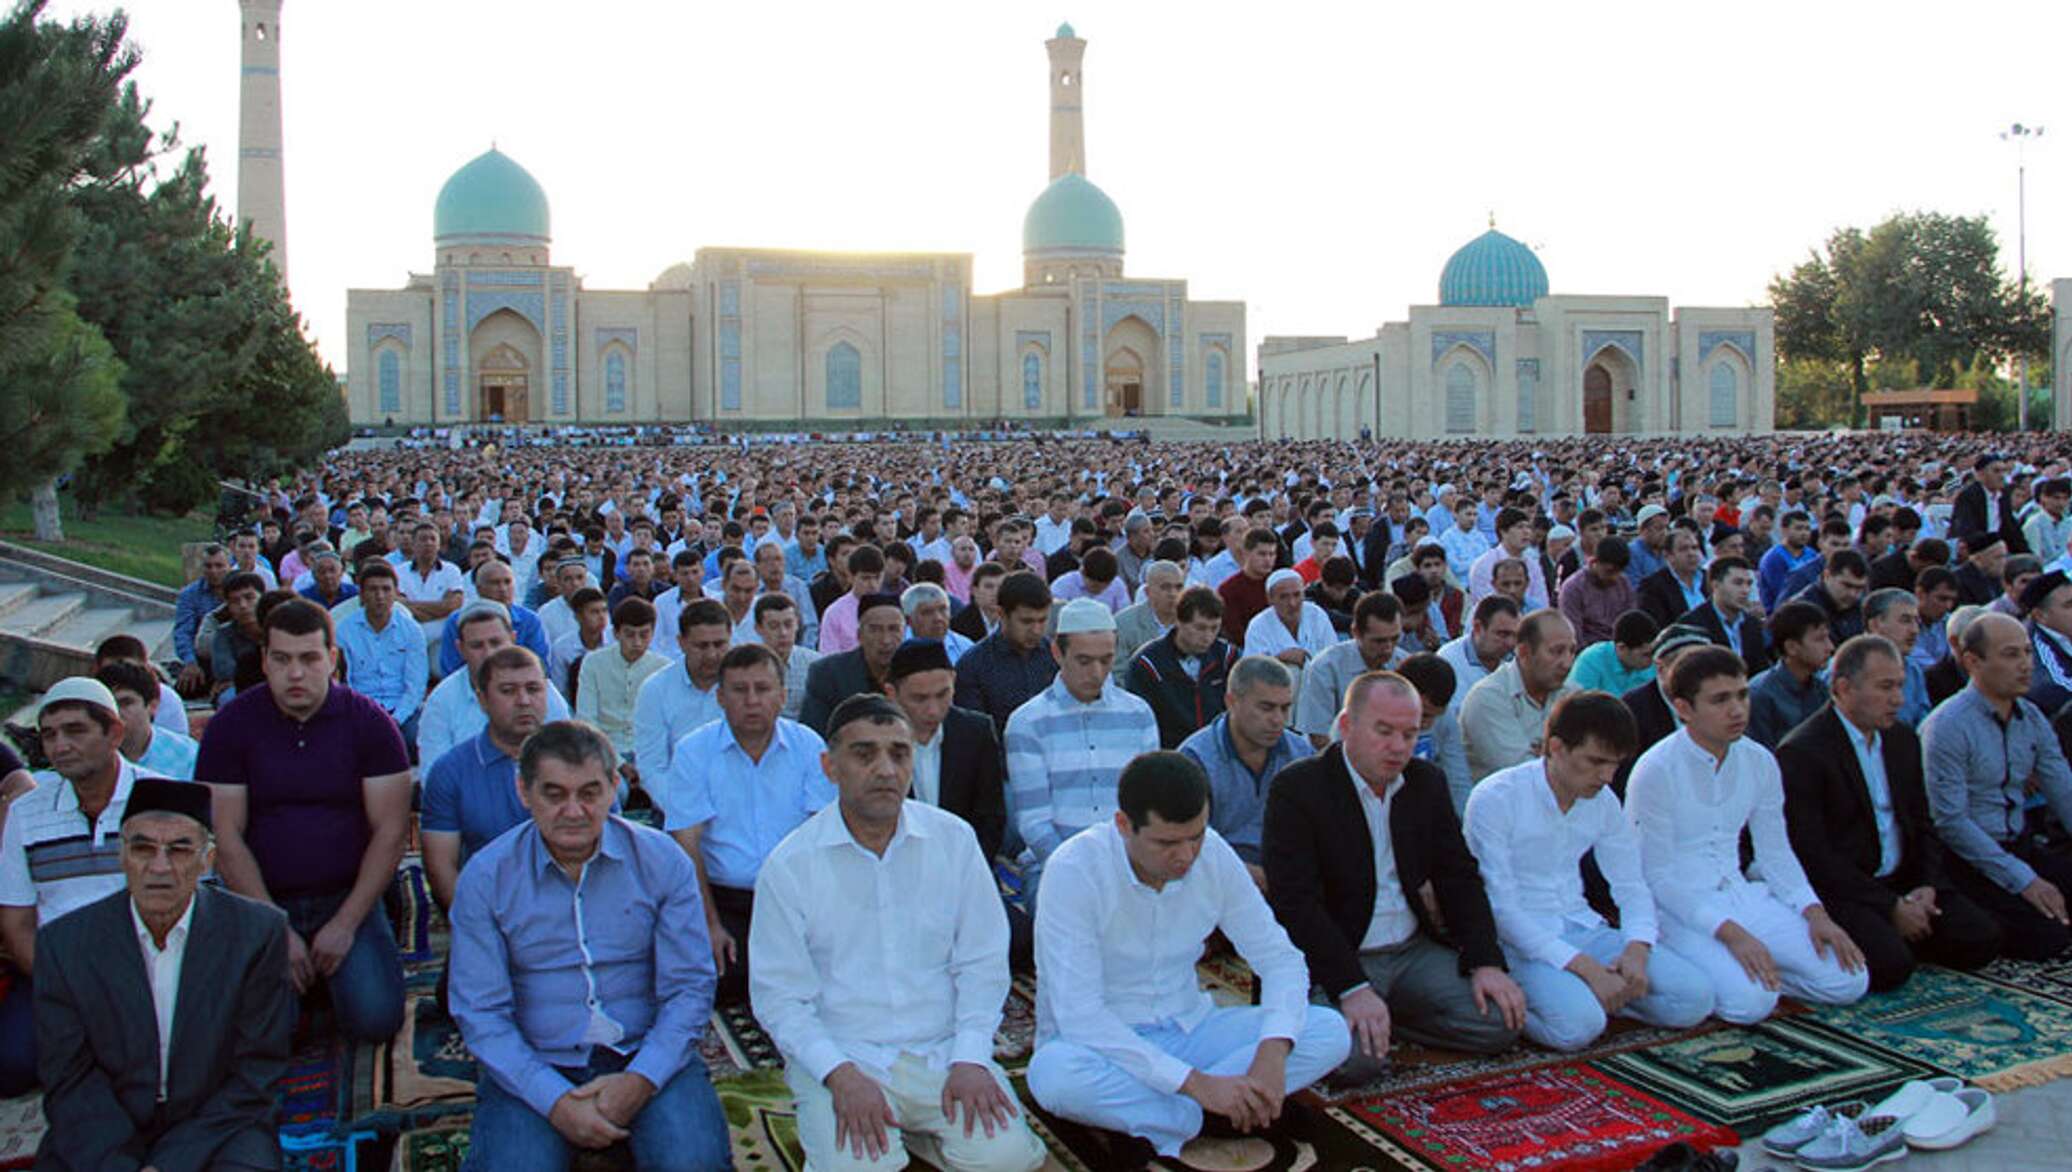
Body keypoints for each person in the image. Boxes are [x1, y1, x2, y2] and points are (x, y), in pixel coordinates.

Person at [751, 694, 1048, 1172]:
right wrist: (839, 1074)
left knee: (1008, 1161)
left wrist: (971, 1057)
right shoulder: (790, 866)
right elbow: (779, 997)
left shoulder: (953, 840)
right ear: (829, 766)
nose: (886, 769)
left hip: (943, 1050)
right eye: (864, 754)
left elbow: (982, 961)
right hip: (845, 1053)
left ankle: (921, 1137)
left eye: (899, 752)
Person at [1025, 752, 1350, 1162]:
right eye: (1167, 843)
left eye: (1195, 836)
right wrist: (1198, 1085)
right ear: (1124, 825)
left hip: (1192, 1027)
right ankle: (1220, 1115)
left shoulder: (1211, 853)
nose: (1186, 855)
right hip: (1103, 1045)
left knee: (1329, 1031)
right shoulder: (1074, 869)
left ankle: (1170, 1120)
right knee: (1054, 1077)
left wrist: (1273, 1052)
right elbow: (1081, 1015)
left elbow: (1279, 958)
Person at [450, 721, 731, 1172]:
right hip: (537, 1062)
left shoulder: (662, 861)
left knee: (693, 1162)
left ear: (615, 788)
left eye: (590, 793)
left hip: (645, 1052)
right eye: (554, 794)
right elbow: (481, 1013)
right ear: (524, 792)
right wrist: (554, 1100)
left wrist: (642, 1078)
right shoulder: (487, 878)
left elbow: (689, 988)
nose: (574, 811)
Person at [33, 778, 291, 1172]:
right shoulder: (64, 945)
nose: (159, 867)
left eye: (179, 849)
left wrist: (169, 1165)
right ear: (121, 855)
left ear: (207, 860)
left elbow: (258, 1071)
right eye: (143, 848)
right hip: (103, 1128)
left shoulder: (257, 934)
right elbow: (69, 1079)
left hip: (219, 1126)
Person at [1264, 672, 1527, 1059]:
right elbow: (1295, 903)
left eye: (1409, 735)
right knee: (1353, 1058)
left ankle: (1393, 1018)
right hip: (1342, 951)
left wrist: (1485, 960)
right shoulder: (1299, 789)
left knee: (1502, 1022)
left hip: (1410, 949)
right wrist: (1351, 986)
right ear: (1346, 726)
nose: (1398, 747)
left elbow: (1458, 875)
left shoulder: (1425, 783)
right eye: (1384, 731)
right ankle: (1371, 1018)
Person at [197, 598, 412, 1044]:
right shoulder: (231, 727)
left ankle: (330, 979)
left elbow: (391, 833)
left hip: (346, 897)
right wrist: (272, 926)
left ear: (332, 659)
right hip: (259, 900)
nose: (295, 674)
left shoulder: (371, 725)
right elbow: (226, 836)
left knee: (375, 1020)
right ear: (264, 661)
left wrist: (346, 924)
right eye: (282, 659)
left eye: (309, 658)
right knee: (259, 1032)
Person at [1625, 647, 1869, 1022]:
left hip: (1740, 894)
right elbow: (1655, 876)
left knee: (1849, 979)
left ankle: (1759, 971)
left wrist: (1814, 912)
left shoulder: (1759, 760)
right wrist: (1730, 934)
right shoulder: (1655, 770)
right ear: (1683, 708)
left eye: (1742, 695)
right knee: (1749, 1004)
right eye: (1720, 700)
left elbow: (1775, 852)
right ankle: (1740, 976)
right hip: (1679, 911)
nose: (1737, 709)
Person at [1462, 693, 1715, 1050]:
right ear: (1557, 747)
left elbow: (1631, 884)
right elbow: (1502, 910)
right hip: (1519, 941)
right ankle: (1544, 1001)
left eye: (1614, 764)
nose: (1607, 776)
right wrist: (1586, 969)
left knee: (1695, 998)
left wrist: (1637, 948)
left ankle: (1595, 998)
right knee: (1577, 1029)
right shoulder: (1496, 798)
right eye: (1596, 761)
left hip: (1583, 927)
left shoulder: (1604, 800)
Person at [1776, 636, 2002, 992]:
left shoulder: (1901, 740)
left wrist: (1926, 886)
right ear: (1844, 688)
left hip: (1904, 879)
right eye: (1885, 687)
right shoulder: (1803, 751)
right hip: (1850, 888)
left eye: (1900, 686)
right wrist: (1890, 906)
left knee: (1982, 938)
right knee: (1890, 967)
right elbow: (1814, 854)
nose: (1898, 699)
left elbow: (1923, 821)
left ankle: (1908, 929)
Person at [0, 679, 171, 1096]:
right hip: (59, 973)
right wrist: (63, 987)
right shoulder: (26, 814)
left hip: (148, 967)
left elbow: (185, 908)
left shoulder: (160, 799)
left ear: (114, 732)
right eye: (50, 735)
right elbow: (17, 922)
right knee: (10, 1065)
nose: (60, 746)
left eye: (75, 731)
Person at [665, 644, 836, 1006]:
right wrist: (708, 924)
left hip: (798, 898)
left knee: (823, 993)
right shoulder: (693, 751)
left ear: (782, 696)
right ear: (720, 697)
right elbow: (686, 844)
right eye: (740, 690)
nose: (752, 700)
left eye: (763, 689)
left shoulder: (808, 746)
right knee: (720, 986)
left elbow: (823, 832)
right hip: (726, 899)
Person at [1922, 612, 2072, 961]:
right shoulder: (1947, 726)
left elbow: (2063, 790)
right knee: (2046, 936)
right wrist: (2024, 880)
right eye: (2010, 655)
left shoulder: (2030, 716)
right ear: (1973, 662)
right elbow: (1952, 824)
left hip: (2018, 843)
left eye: (2027, 653)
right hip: (1968, 858)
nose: (2025, 665)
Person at [1005, 599, 1162, 906]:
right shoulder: (1028, 722)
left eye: (1106, 660)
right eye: (1084, 661)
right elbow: (1034, 822)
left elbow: (1149, 803)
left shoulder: (1138, 714)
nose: (1098, 672)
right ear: (1057, 653)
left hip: (1130, 863)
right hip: (1054, 865)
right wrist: (1078, 871)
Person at [422, 646, 556, 912]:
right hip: (489, 914)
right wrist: (478, 931)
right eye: (508, 691)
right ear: (482, 699)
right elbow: (441, 869)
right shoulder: (451, 772)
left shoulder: (582, 761)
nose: (524, 701)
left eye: (533, 689)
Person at [1178, 656, 1312, 886]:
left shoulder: (1300, 753)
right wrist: (1252, 878)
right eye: (1266, 708)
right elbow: (1188, 845)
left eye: (1285, 708)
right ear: (1232, 702)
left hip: (1291, 880)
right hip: (1216, 885)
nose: (1278, 720)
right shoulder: (1195, 760)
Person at [883, 641, 1008, 864]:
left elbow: (991, 818)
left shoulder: (975, 733)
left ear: (954, 681)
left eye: (943, 695)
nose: (933, 709)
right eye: (919, 698)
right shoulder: (876, 742)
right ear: (892, 693)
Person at [418, 601, 574, 768]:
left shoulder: (542, 690)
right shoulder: (442, 701)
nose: (488, 653)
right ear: (460, 649)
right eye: (477, 646)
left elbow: (566, 759)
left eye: (496, 643)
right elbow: (434, 775)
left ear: (513, 639)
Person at [1460, 610, 1578, 782]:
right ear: (1523, 652)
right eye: (1556, 652)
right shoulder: (1487, 697)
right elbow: (1524, 775)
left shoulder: (1571, 694)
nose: (1567, 663)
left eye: (1572, 651)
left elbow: (1589, 763)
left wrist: (1545, 756)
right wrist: (1562, 758)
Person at [1123, 585, 1238, 749]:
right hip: (1168, 754)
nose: (1208, 637)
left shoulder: (1228, 658)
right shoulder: (1148, 664)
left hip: (1219, 751)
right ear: (1178, 621)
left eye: (1214, 628)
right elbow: (1138, 722)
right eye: (1200, 628)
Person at [632, 598, 730, 787]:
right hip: (678, 797)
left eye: (719, 645)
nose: (711, 655)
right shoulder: (656, 690)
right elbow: (652, 769)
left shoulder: (747, 686)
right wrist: (686, 810)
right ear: (681, 643)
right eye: (701, 646)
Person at [335, 559, 429, 745]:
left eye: (386, 589)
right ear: (361, 595)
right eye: (373, 589)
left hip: (402, 708)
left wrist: (396, 719)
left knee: (413, 739)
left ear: (396, 593)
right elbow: (346, 681)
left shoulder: (411, 630)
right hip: (360, 706)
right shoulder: (344, 630)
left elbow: (416, 685)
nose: (380, 596)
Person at [954, 571, 1058, 734]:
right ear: (1002, 614)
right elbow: (974, 736)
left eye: (1042, 620)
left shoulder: (1056, 657)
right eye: (1027, 621)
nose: (1036, 630)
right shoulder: (973, 665)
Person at [1296, 590, 1404, 747]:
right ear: (1356, 633)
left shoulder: (1403, 663)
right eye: (1379, 641)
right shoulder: (1325, 667)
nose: (1388, 649)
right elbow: (1319, 737)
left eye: (1394, 639)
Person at [574, 596, 669, 764]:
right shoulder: (593, 663)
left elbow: (666, 725)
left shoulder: (663, 668)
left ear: (653, 633)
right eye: (630, 635)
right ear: (616, 633)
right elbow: (586, 721)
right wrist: (619, 764)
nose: (637, 642)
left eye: (644, 635)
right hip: (603, 752)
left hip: (650, 754)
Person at [800, 591, 907, 736]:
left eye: (894, 629)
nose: (886, 640)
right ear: (859, 635)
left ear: (905, 632)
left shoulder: (918, 674)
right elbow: (813, 737)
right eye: (875, 630)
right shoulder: (827, 674)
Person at [1746, 601, 1833, 750]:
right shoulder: (1760, 694)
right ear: (1791, 647)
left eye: (1828, 638)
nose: (1830, 647)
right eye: (1820, 639)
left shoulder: (1821, 689)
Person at [95, 660, 199, 778]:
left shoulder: (187, 754)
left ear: (152, 706)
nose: (116, 712)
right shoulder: (86, 755)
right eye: (108, 705)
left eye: (125, 703)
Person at [1677, 555, 1769, 676]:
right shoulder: (1692, 624)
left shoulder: (1752, 624)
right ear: (1715, 585)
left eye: (1749, 584)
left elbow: (1760, 670)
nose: (1745, 590)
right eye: (1738, 583)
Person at [1857, 587, 1930, 726]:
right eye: (1905, 620)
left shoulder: (1913, 669)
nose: (1915, 630)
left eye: (1917, 622)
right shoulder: (1847, 667)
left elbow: (1923, 722)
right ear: (1875, 625)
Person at [173, 543, 231, 696]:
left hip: (236, 654)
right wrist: (190, 662)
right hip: (205, 656)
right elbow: (183, 631)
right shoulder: (189, 594)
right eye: (208, 566)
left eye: (219, 566)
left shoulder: (240, 589)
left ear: (229, 566)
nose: (214, 571)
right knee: (187, 687)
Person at [1558, 535, 1635, 649]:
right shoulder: (1573, 588)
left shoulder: (1623, 583)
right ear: (1594, 561)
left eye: (1619, 571)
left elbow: (1630, 623)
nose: (1615, 577)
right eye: (1610, 571)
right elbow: (1574, 637)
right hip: (1588, 653)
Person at [1467, 508, 1550, 609]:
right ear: (1503, 532)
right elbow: (1487, 606)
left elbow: (1542, 603)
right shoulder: (1483, 565)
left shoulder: (1533, 565)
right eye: (1520, 527)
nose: (1527, 532)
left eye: (1528, 527)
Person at [1113, 560, 1183, 678]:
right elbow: (1118, 674)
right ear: (1148, 592)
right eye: (1165, 587)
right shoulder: (1124, 624)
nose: (1173, 594)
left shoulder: (1191, 623)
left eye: (1179, 587)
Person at [1949, 452, 2027, 555]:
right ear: (1980, 475)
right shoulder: (1969, 496)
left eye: (2004, 471)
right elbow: (1967, 532)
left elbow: (2010, 528)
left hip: (1999, 549)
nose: (2002, 476)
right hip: (1976, 550)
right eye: (1996, 471)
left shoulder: (2003, 495)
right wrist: (1995, 542)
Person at [1567, 609, 1657, 698]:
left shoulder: (1654, 664)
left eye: (1653, 653)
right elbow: (1578, 705)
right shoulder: (1591, 662)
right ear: (1622, 648)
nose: (1653, 659)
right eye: (1646, 655)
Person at [818, 543, 886, 655]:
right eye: (866, 578)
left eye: (877, 577)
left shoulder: (893, 609)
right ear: (850, 577)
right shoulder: (835, 613)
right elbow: (828, 659)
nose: (873, 584)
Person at [1215, 528, 1280, 643]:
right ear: (1246, 553)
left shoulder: (1280, 584)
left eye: (1272, 554)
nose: (1268, 560)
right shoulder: (1228, 590)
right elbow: (1236, 634)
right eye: (1262, 554)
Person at [2024, 569, 2072, 713]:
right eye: (2069, 605)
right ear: (2039, 615)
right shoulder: (2035, 647)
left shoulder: (2065, 628)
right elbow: (2056, 689)